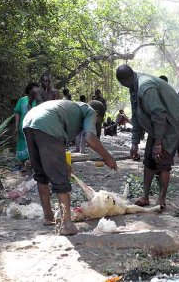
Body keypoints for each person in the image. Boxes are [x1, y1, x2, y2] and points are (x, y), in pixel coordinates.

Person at [23, 100, 117, 235]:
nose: (95, 123)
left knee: (41, 175)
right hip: (47, 123)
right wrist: (107, 157)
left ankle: (48, 217)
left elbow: (56, 143)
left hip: (29, 121)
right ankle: (67, 224)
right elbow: (90, 138)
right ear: (97, 114)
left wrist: (62, 161)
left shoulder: (71, 108)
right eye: (98, 120)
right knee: (60, 178)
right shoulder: (89, 111)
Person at [116, 65, 179, 209]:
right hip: (157, 126)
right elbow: (136, 117)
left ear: (124, 81)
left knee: (162, 161)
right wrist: (135, 143)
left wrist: (158, 144)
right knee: (149, 160)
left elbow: (159, 114)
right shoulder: (134, 88)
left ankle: (161, 199)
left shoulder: (145, 87)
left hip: (171, 123)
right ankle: (145, 196)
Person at [14, 83, 38, 172]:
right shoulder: (22, 100)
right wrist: (16, 126)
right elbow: (17, 113)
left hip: (35, 126)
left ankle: (33, 163)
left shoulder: (38, 100)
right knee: (22, 144)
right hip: (23, 126)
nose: (36, 91)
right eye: (34, 89)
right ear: (29, 90)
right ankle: (23, 165)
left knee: (34, 144)